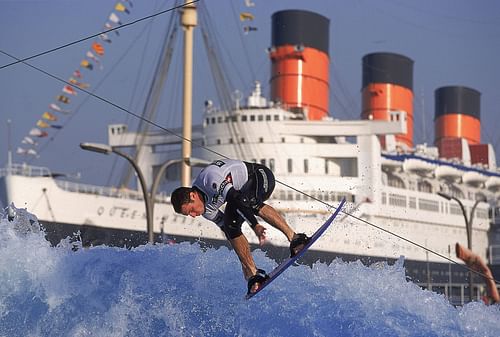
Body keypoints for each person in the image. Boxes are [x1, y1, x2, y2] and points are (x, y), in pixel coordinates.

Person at [171, 159, 310, 294]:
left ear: (193, 196)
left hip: (259, 176)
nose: (193, 215)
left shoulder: (210, 180)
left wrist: (255, 225)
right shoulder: (207, 211)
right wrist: (244, 263)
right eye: (189, 214)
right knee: (230, 226)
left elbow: (239, 200)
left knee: (250, 202)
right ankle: (253, 274)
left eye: (190, 210)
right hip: (241, 194)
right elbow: (229, 232)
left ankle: (295, 238)